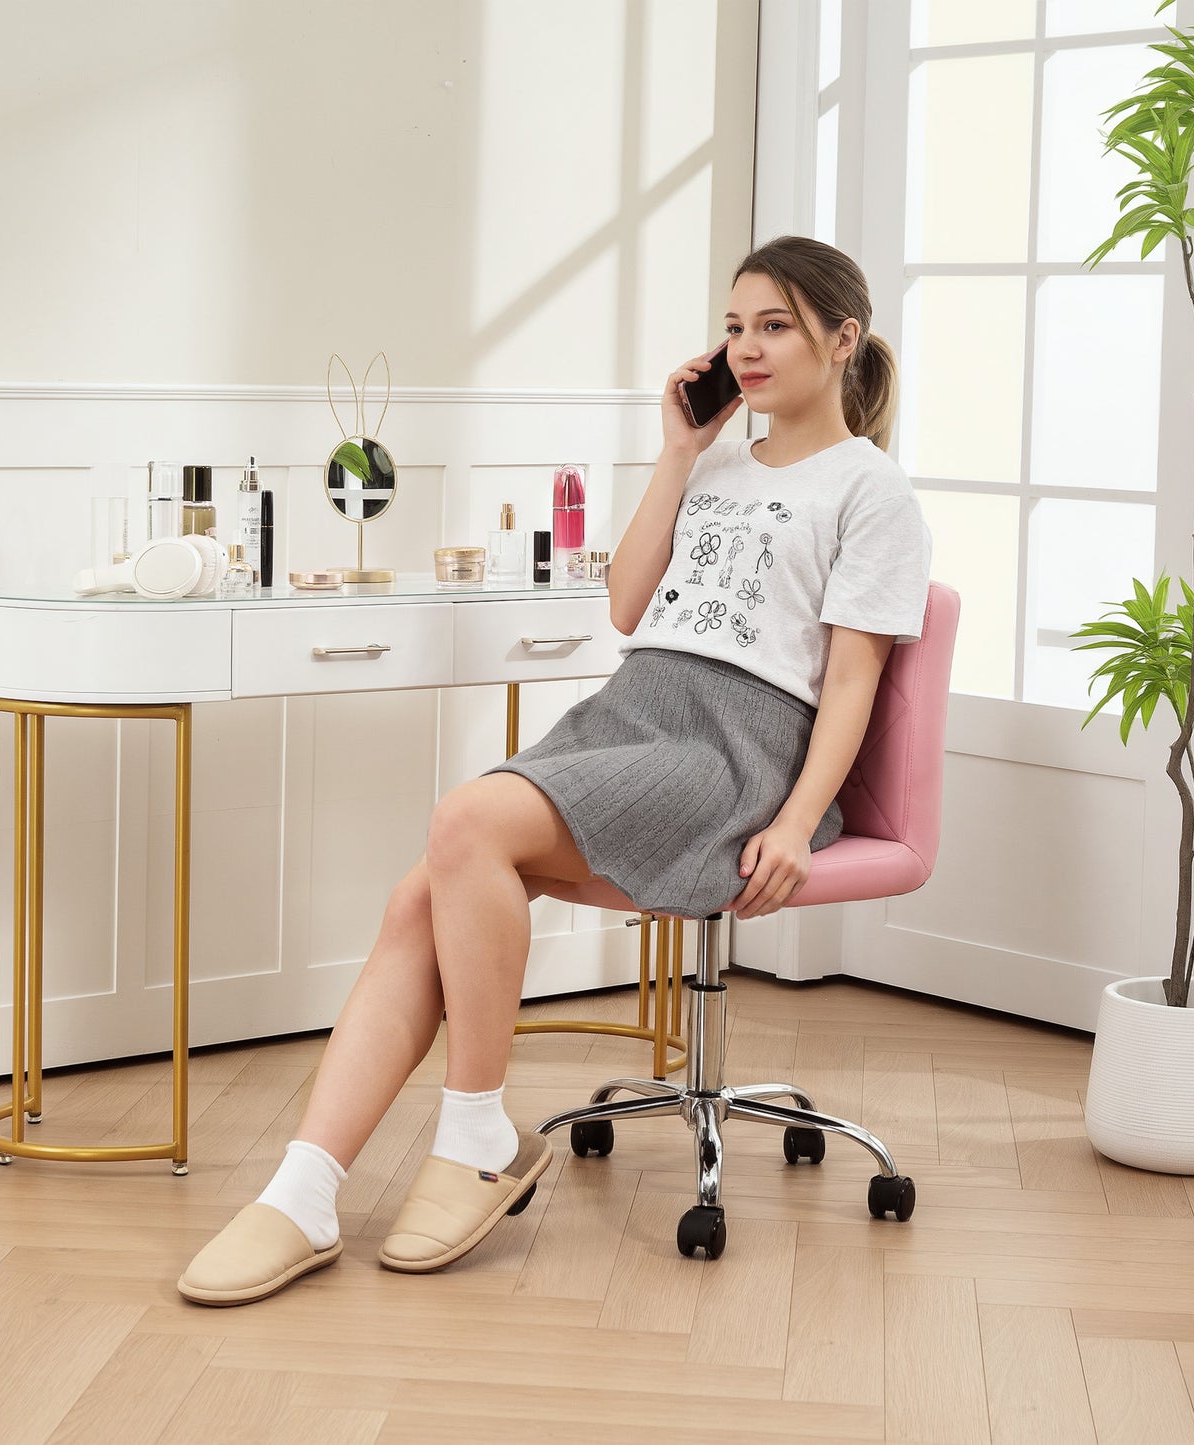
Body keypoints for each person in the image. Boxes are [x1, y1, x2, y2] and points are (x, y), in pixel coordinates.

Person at [177, 235, 932, 1305]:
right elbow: (626, 605)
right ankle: (303, 1190)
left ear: (841, 338)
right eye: (733, 326)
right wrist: (675, 453)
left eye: (773, 326)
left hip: (738, 748)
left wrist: (797, 816)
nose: (746, 350)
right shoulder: (715, 461)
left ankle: (479, 1129)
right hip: (634, 708)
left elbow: (849, 682)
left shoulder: (873, 493)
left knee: (466, 823)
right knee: (420, 891)